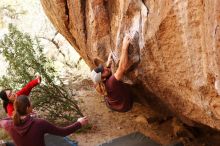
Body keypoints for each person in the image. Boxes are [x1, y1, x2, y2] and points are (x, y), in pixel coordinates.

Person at [0, 95, 88, 146]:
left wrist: (29, 116)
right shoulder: (39, 123)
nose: (32, 105)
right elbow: (63, 132)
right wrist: (79, 123)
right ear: (27, 108)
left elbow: (2, 121)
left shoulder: (9, 124)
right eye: (30, 104)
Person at [90, 34, 134, 112]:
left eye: (102, 68)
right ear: (103, 79)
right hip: (125, 106)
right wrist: (124, 47)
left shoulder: (99, 83)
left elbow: (105, 71)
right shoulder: (111, 82)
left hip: (113, 104)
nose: (104, 69)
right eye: (102, 71)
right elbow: (122, 67)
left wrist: (108, 65)